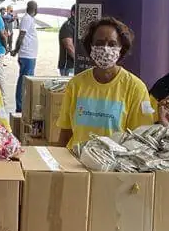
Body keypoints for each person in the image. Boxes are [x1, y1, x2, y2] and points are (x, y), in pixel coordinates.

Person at [56, 17, 154, 149]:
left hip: (112, 165)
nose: (105, 49)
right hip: (75, 163)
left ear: (121, 48)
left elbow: (140, 138)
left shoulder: (135, 87)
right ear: (91, 46)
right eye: (99, 43)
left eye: (112, 44)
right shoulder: (76, 84)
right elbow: (66, 133)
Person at [13, 1, 39, 112]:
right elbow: (21, 36)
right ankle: (20, 107)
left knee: (26, 81)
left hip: (30, 54)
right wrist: (16, 50)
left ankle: (23, 105)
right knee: (24, 82)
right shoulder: (27, 19)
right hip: (26, 55)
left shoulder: (30, 19)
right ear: (35, 9)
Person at [58, 5, 79, 77]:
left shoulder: (77, 26)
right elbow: (69, 46)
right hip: (68, 66)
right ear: (73, 13)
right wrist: (78, 61)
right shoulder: (67, 26)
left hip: (75, 66)